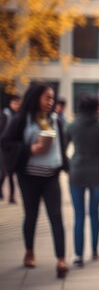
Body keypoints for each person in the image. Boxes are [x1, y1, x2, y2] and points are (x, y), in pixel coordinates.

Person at [0, 83, 69, 278]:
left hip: (51, 176)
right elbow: (5, 142)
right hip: (29, 177)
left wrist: (66, 165)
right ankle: (29, 251)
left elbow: (62, 147)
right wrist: (29, 149)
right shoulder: (21, 120)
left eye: (52, 98)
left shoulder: (55, 120)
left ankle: (61, 258)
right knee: (31, 216)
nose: (50, 101)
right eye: (47, 97)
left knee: (56, 216)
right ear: (36, 97)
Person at [66, 93, 99, 267]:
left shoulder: (72, 125)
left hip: (77, 171)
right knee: (94, 212)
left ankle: (78, 255)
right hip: (97, 173)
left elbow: (62, 147)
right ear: (97, 108)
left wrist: (70, 164)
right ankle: (94, 251)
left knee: (79, 215)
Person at [0, 94, 21, 203]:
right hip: (5, 148)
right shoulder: (6, 114)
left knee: (11, 172)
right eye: (15, 103)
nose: (17, 105)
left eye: (18, 103)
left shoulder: (19, 115)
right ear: (11, 103)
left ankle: (12, 196)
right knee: (5, 172)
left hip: (14, 148)